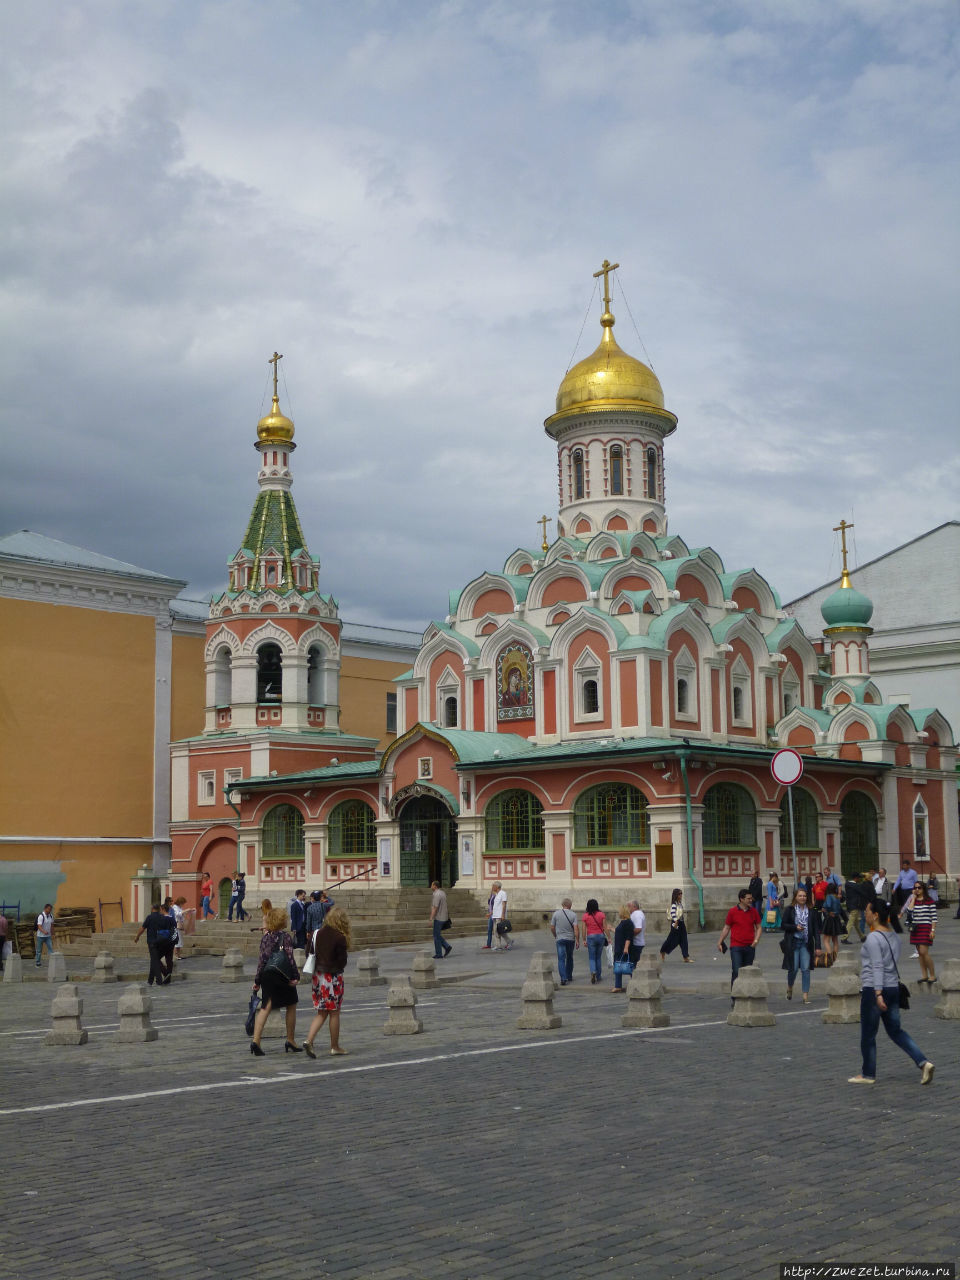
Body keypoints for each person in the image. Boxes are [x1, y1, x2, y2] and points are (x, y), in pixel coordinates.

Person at [848, 899, 934, 1086]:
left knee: (868, 1035)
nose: (865, 913)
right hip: (893, 987)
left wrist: (878, 994)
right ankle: (923, 1062)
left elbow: (877, 966)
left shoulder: (873, 938)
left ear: (876, 915)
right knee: (896, 1031)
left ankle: (868, 1074)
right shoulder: (894, 936)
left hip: (875, 988)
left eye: (867, 910)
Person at [250, 907, 301, 1056]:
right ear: (281, 921)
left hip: (267, 974)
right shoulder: (285, 937)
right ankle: (290, 1040)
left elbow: (262, 960)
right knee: (291, 1004)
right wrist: (295, 976)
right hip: (282, 974)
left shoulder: (265, 937)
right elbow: (290, 958)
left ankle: (256, 1040)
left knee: (266, 1006)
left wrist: (257, 981)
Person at [302, 907, 351, 1057]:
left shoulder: (316, 933)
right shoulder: (340, 937)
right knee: (334, 1013)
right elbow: (342, 962)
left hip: (318, 977)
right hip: (332, 978)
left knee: (321, 1012)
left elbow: (307, 953)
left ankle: (309, 1040)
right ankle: (334, 1046)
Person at [781, 887, 822, 1003]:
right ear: (795, 897)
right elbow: (783, 925)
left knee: (806, 969)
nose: (802, 898)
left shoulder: (811, 911)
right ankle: (790, 987)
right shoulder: (790, 910)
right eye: (800, 896)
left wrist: (818, 946)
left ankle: (805, 995)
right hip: (793, 942)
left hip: (806, 943)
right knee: (793, 969)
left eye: (804, 896)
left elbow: (816, 930)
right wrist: (795, 927)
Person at [718, 889, 761, 994]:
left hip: (750, 946)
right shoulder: (732, 911)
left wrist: (756, 940)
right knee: (737, 971)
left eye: (751, 898)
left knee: (747, 972)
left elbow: (759, 927)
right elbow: (727, 928)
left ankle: (746, 994)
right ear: (741, 899)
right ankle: (735, 995)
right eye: (748, 898)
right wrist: (720, 941)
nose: (751, 900)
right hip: (736, 946)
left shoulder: (753, 911)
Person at [134, 901, 174, 986]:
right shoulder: (162, 917)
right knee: (154, 959)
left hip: (152, 941)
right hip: (160, 941)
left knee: (155, 960)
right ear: (159, 909)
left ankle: (160, 979)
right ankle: (150, 980)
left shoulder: (150, 917)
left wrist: (137, 937)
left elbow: (142, 928)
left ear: (152, 908)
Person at [908, 881, 937, 986]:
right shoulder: (913, 900)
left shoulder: (930, 901)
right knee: (919, 953)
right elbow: (909, 911)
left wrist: (932, 930)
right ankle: (924, 975)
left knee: (924, 951)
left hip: (926, 927)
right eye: (915, 888)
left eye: (919, 888)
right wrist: (914, 897)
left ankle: (932, 975)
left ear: (923, 889)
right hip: (916, 928)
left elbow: (934, 917)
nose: (917, 889)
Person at [550, 898, 579, 985]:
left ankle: (563, 978)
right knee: (570, 957)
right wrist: (577, 940)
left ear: (562, 905)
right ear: (570, 905)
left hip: (560, 939)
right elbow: (576, 929)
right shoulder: (573, 915)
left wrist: (555, 935)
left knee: (561, 959)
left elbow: (552, 927)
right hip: (570, 939)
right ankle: (569, 976)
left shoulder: (556, 914)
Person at [659, 888, 692, 962]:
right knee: (672, 939)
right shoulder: (674, 904)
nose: (681, 895)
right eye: (680, 894)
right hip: (676, 923)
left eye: (681, 893)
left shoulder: (679, 903)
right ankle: (663, 951)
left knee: (684, 940)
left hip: (681, 923)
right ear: (676, 895)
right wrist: (676, 921)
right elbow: (673, 913)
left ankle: (685, 957)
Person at [610, 904, 637, 992]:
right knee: (618, 966)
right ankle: (618, 986)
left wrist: (626, 948)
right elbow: (619, 933)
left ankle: (636, 984)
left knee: (629, 966)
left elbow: (629, 937)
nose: (619, 912)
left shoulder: (628, 923)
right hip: (619, 948)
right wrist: (612, 929)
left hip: (624, 948)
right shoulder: (623, 922)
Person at [581, 898, 608, 985]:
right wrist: (609, 938)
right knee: (598, 957)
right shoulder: (601, 914)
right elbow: (605, 927)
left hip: (591, 937)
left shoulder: (585, 916)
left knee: (592, 957)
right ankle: (599, 976)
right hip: (600, 936)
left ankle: (593, 971)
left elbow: (583, 928)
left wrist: (584, 939)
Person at [820, 883, 844, 965]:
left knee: (826, 940)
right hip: (836, 918)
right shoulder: (837, 897)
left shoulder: (829, 896)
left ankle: (830, 958)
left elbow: (828, 906)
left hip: (830, 919)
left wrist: (825, 910)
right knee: (835, 940)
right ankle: (835, 957)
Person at [430, 880, 452, 959]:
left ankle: (439, 953)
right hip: (444, 917)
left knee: (436, 936)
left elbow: (435, 907)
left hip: (439, 917)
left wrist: (431, 918)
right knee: (437, 935)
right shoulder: (442, 893)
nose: (431, 886)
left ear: (435, 886)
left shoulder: (437, 894)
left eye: (432, 885)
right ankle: (447, 947)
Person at [841, 873, 865, 944]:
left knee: (856, 923)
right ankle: (844, 937)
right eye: (859, 878)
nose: (860, 879)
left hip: (851, 905)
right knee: (850, 922)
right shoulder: (855, 885)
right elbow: (862, 891)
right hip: (854, 906)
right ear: (856, 878)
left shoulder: (848, 884)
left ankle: (862, 937)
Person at [490, 882, 510, 951]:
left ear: (497, 886)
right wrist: (491, 913)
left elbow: (504, 905)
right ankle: (498, 945)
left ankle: (508, 942)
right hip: (495, 916)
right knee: (496, 931)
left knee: (499, 931)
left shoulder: (503, 893)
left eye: (493, 886)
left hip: (499, 915)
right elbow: (496, 906)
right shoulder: (496, 894)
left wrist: (503, 915)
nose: (492, 887)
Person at [482, 886, 497, 950]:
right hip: (491, 915)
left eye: (493, 887)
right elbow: (489, 904)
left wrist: (490, 913)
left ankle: (508, 941)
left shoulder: (497, 896)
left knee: (497, 930)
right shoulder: (492, 896)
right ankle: (488, 944)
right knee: (489, 930)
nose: (491, 888)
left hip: (494, 915)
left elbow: (496, 907)